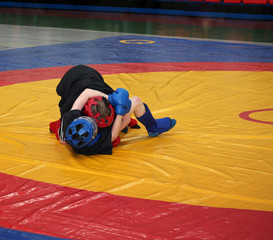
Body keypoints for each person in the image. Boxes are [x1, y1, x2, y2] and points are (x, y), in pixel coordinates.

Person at [49, 65, 176, 155]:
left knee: (64, 135)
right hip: (91, 80)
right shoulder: (95, 145)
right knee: (135, 101)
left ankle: (112, 102)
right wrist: (120, 111)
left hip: (73, 81)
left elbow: (87, 92)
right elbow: (117, 130)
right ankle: (153, 126)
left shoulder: (71, 118)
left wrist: (110, 98)